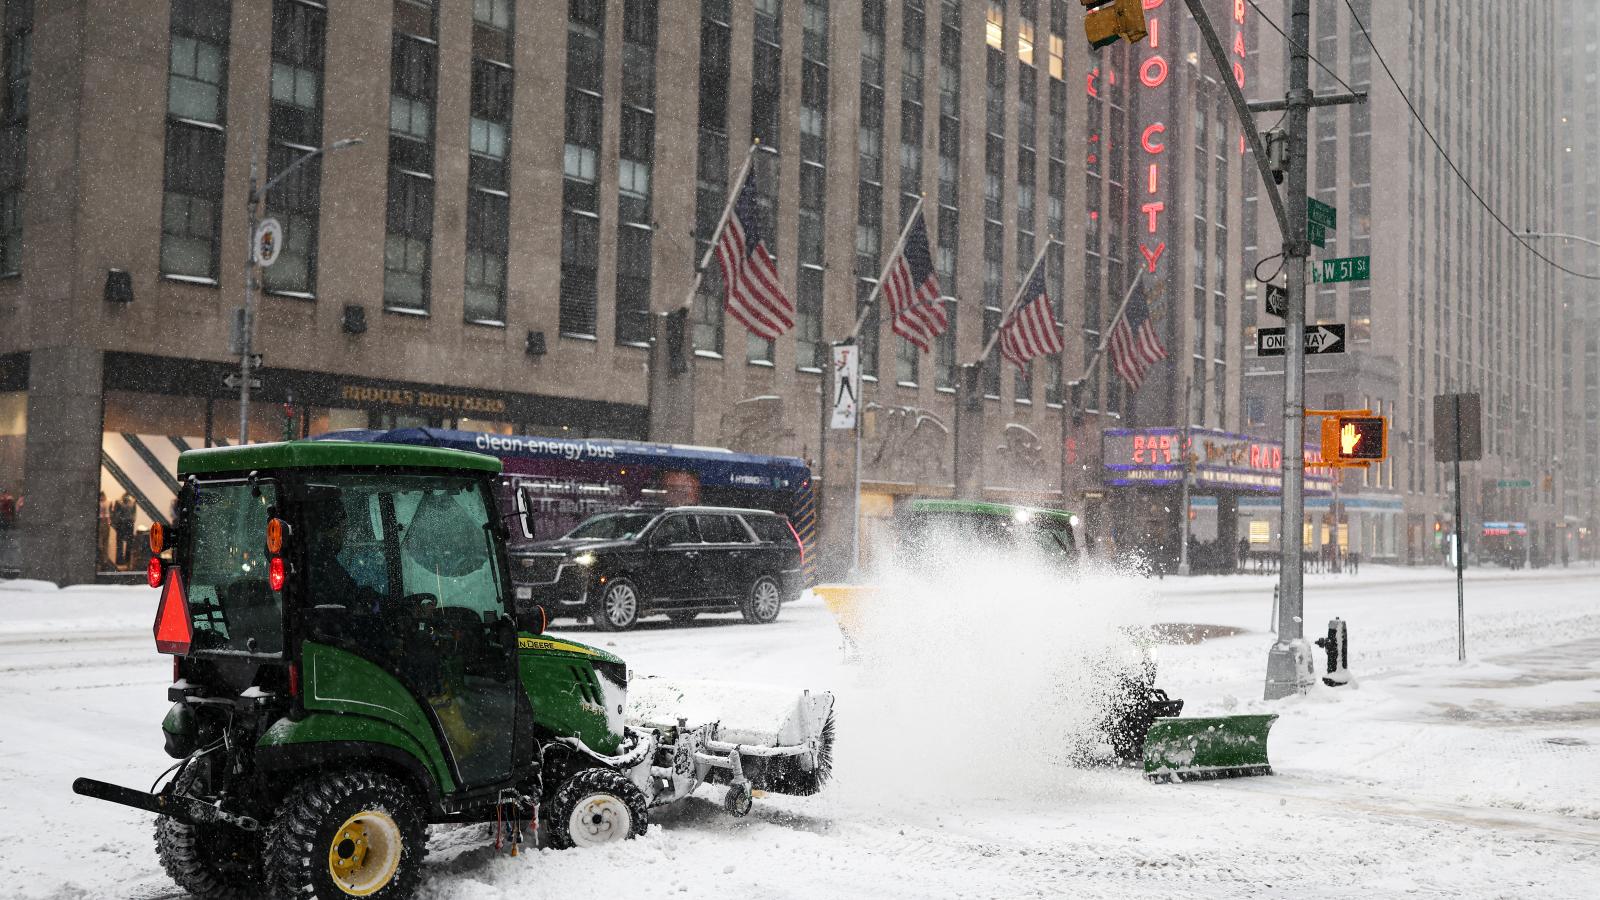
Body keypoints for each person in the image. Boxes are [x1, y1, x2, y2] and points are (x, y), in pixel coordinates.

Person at [111, 494, 137, 569]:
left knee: (127, 543)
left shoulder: (132, 502)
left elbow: (134, 514)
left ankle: (126, 561)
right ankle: (121, 561)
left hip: (127, 523)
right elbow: (116, 513)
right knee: (121, 543)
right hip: (123, 523)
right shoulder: (119, 502)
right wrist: (116, 523)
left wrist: (131, 520)